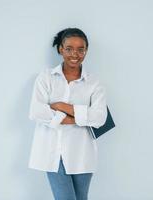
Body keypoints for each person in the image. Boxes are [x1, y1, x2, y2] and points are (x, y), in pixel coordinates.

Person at [28, 27, 108, 200]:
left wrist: (61, 106)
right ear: (60, 49)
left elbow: (100, 118)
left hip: (82, 154)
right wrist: (80, 117)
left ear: (86, 50)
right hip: (52, 153)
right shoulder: (46, 77)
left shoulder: (94, 82)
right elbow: (36, 112)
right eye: (69, 48)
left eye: (81, 49)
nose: (75, 54)